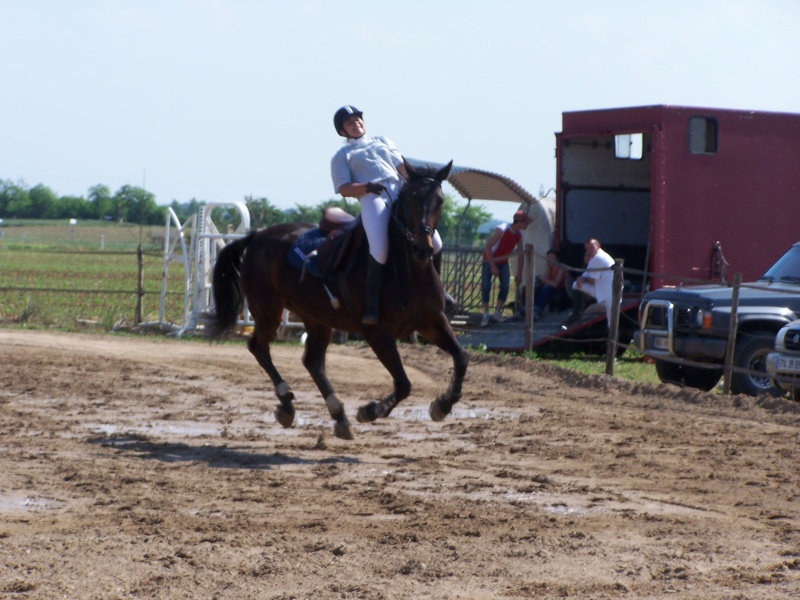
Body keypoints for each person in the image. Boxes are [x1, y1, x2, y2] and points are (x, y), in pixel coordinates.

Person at [330, 105, 443, 325]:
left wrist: (417, 183)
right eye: (349, 122)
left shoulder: (383, 140)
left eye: (357, 119)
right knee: (380, 250)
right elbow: (343, 188)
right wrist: (365, 187)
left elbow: (402, 167)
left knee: (436, 242)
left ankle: (436, 289)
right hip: (373, 196)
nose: (356, 123)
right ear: (343, 131)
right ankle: (372, 304)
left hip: (401, 191)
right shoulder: (342, 156)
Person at [480, 209, 531, 327]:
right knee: (485, 286)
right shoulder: (502, 229)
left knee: (505, 286)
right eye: (526, 223)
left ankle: (497, 312)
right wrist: (492, 266)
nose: (527, 225)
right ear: (519, 221)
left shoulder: (519, 235)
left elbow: (520, 253)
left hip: (503, 261)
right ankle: (486, 313)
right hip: (489, 259)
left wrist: (519, 273)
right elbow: (488, 248)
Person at [562, 237, 615, 327]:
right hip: (602, 292)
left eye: (591, 247)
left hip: (606, 295)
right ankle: (578, 310)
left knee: (576, 285)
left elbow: (590, 280)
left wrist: (582, 279)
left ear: (598, 246)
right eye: (587, 248)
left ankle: (576, 314)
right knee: (574, 283)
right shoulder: (595, 258)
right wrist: (580, 278)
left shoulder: (598, 258)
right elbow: (586, 275)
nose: (589, 250)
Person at [532, 249, 569, 321]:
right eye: (548, 257)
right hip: (553, 292)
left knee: (548, 287)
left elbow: (555, 284)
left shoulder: (562, 268)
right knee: (537, 287)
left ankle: (537, 309)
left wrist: (543, 279)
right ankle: (525, 306)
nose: (550, 259)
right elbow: (545, 280)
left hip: (562, 295)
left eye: (552, 257)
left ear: (557, 259)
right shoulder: (550, 268)